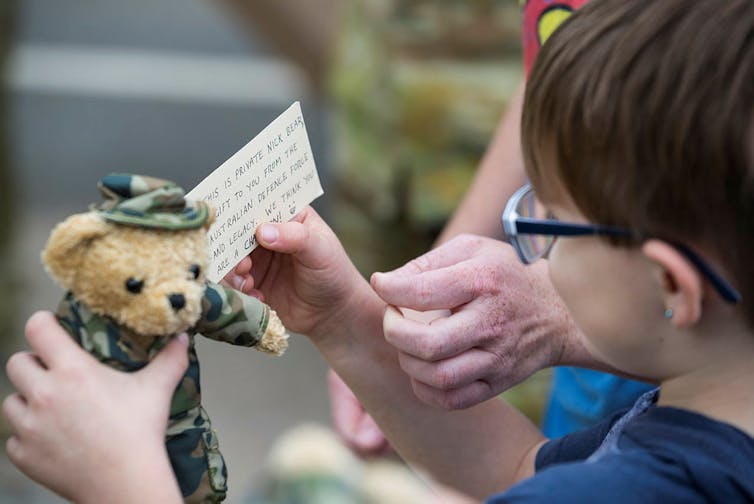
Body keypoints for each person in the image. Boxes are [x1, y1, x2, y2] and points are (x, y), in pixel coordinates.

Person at [5, 0, 754, 501]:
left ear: (671, 286)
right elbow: (516, 470)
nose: (531, 248)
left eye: (548, 228)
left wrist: (123, 479)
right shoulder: (700, 407)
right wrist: (342, 320)